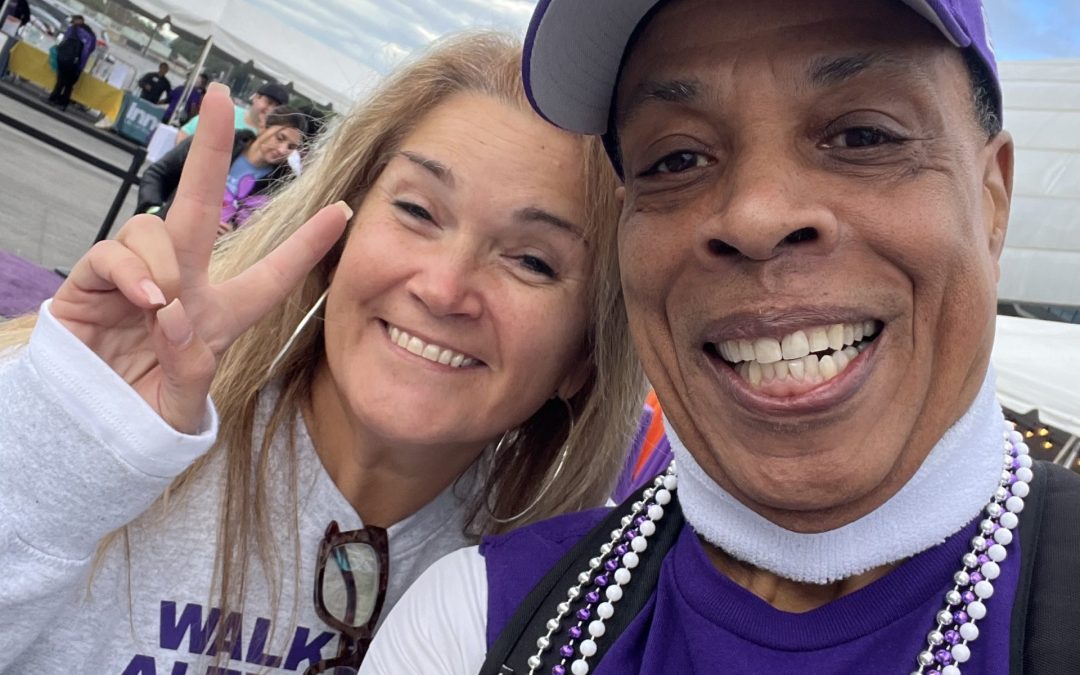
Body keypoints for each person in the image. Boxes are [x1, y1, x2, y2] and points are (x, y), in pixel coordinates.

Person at [360, 1, 1080, 673]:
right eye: (676, 159)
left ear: (992, 200)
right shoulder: (475, 618)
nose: (756, 217)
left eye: (864, 135)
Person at [0, 33, 643, 674]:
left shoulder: (578, 604)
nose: (443, 289)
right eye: (418, 211)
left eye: (532, 261)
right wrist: (63, 449)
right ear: (339, 237)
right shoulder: (130, 417)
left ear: (586, 355)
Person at [137, 105, 307, 233]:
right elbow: (157, 174)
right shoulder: (218, 141)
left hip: (213, 261)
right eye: (280, 138)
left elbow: (268, 232)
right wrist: (154, 212)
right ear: (264, 126)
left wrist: (234, 238)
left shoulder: (282, 186)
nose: (282, 150)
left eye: (291, 146)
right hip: (167, 233)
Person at [175, 80, 288, 143]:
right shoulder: (226, 112)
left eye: (277, 107)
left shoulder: (271, 137)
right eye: (268, 102)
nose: (270, 109)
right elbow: (186, 132)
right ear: (256, 98)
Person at [47, 14, 95, 110]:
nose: (73, 23)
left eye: (74, 21)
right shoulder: (90, 34)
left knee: (61, 81)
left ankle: (54, 98)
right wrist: (80, 64)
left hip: (66, 59)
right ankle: (63, 103)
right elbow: (89, 50)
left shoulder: (74, 29)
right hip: (77, 63)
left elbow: (63, 41)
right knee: (69, 85)